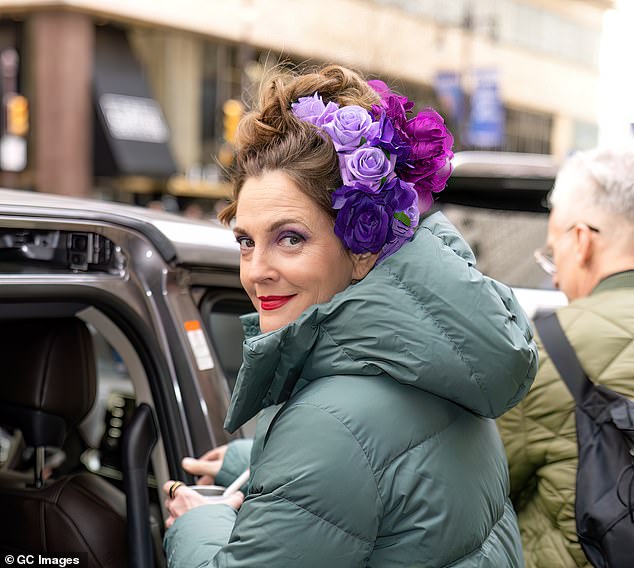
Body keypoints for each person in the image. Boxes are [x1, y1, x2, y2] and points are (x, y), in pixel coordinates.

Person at [162, 64, 538, 567]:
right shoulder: (436, 365)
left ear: (362, 245)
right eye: (246, 242)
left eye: (289, 238)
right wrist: (252, 463)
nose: (256, 271)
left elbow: (345, 450)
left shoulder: (331, 425)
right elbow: (389, 467)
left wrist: (196, 525)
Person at [497, 147, 634, 567]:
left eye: (553, 252)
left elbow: (486, 488)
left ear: (581, 240)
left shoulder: (546, 350)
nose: (554, 274)